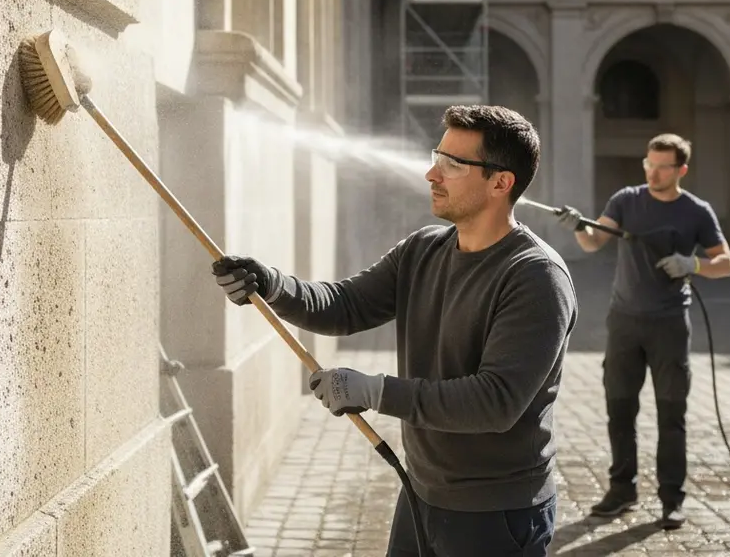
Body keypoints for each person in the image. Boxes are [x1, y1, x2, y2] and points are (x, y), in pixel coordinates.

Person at [211, 105, 577, 557]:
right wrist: (270, 284)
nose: (431, 173)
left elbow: (494, 403)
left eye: (452, 164)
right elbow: (344, 306)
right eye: (436, 156)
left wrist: (374, 390)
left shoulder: (535, 277)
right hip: (422, 494)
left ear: (501, 183)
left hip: (496, 514)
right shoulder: (422, 250)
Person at [555, 133, 730, 531]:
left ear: (681, 170)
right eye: (649, 165)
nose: (653, 173)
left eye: (662, 167)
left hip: (670, 325)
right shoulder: (626, 200)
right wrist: (576, 226)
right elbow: (593, 241)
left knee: (672, 415)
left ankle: (672, 500)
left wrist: (694, 265)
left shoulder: (696, 212)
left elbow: (726, 262)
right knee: (620, 411)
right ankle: (622, 491)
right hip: (624, 322)